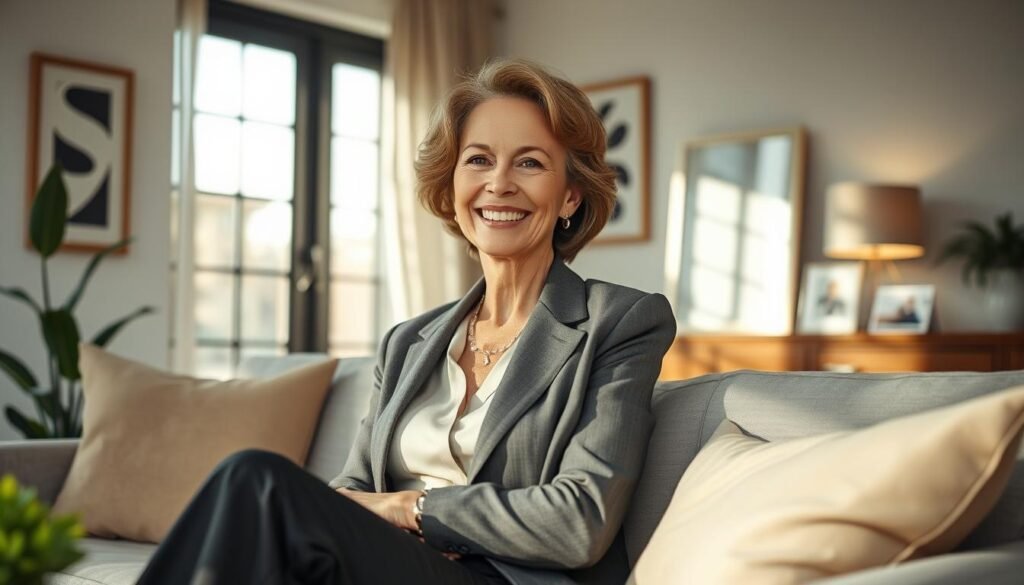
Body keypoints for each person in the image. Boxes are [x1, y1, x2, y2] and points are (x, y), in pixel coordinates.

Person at [137, 58, 676, 585]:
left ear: (570, 196)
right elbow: (349, 490)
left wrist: (413, 508)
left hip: (499, 576)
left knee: (254, 478)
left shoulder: (621, 322)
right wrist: (377, 512)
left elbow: (579, 521)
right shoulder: (408, 342)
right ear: (453, 184)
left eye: (530, 163)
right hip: (381, 566)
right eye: (479, 160)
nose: (500, 183)